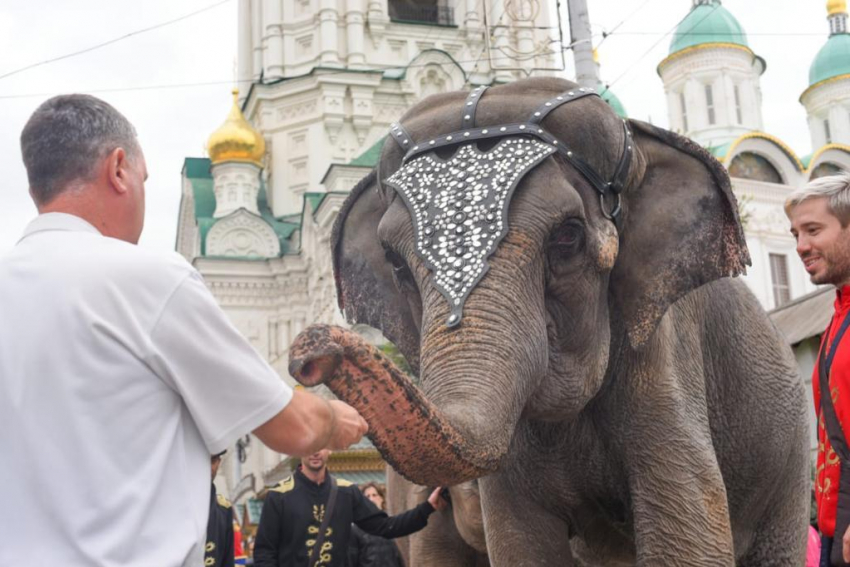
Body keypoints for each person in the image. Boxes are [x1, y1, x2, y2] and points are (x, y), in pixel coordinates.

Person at [0, 94, 368, 567]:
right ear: (118, 169)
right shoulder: (146, 279)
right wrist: (339, 419)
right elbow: (291, 426)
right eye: (143, 178)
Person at [786, 172, 850, 565]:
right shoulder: (837, 317)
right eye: (795, 234)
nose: (801, 246)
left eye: (812, 230)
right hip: (835, 531)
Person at [253, 449, 445, 567]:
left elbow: (386, 527)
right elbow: (264, 553)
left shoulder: (347, 492)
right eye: (309, 444)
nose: (315, 451)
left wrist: (427, 508)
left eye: (321, 443)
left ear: (329, 447)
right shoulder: (279, 496)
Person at [348, 483, 405, 567]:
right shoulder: (355, 530)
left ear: (382, 499)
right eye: (367, 496)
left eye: (374, 495)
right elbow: (351, 560)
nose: (371, 499)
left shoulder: (391, 526)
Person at [207, 451, 236, 567]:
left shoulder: (224, 509)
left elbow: (227, 561)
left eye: (213, 461)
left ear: (218, 462)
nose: (209, 468)